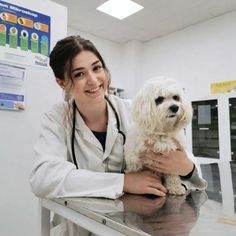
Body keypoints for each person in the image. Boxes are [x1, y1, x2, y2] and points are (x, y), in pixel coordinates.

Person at [29, 35, 207, 200]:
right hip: (78, 226)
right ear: (62, 83)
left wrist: (187, 168)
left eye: (97, 68)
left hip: (128, 221)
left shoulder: (135, 112)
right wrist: (123, 182)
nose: (93, 80)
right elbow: (43, 179)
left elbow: (189, 163)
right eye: (79, 74)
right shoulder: (56, 119)